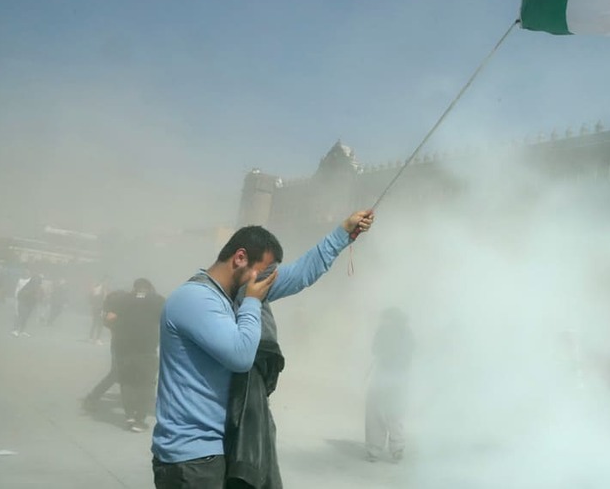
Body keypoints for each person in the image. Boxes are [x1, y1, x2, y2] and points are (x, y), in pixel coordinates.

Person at [151, 209, 373, 488]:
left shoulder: (236, 295)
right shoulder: (194, 299)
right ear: (240, 257)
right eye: (264, 272)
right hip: (190, 457)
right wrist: (254, 303)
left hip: (218, 448)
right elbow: (241, 356)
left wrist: (343, 232)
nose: (265, 281)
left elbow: (301, 273)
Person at [107, 279, 165, 432]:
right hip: (147, 349)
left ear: (135, 287)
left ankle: (129, 415)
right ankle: (139, 419)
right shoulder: (158, 300)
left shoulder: (123, 298)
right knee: (146, 384)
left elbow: (110, 318)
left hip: (124, 348)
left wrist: (118, 331)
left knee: (127, 382)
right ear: (150, 288)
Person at [365, 307, 415, 463]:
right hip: (401, 377)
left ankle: (374, 449)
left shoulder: (384, 330)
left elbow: (375, 349)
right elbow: (412, 353)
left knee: (375, 413)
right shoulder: (408, 333)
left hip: (382, 375)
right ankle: (397, 448)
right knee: (395, 412)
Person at [83, 285, 132, 413]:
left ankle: (94, 397)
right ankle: (92, 397)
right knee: (117, 373)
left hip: (121, 344)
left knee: (121, 374)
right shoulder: (118, 310)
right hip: (121, 345)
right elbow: (110, 321)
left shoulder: (116, 309)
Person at [89, 278, 109, 344]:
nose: (107, 282)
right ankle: (96, 339)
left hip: (99, 307)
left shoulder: (101, 288)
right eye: (106, 281)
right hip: (99, 307)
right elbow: (95, 298)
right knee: (99, 323)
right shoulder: (99, 288)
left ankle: (92, 338)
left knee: (96, 322)